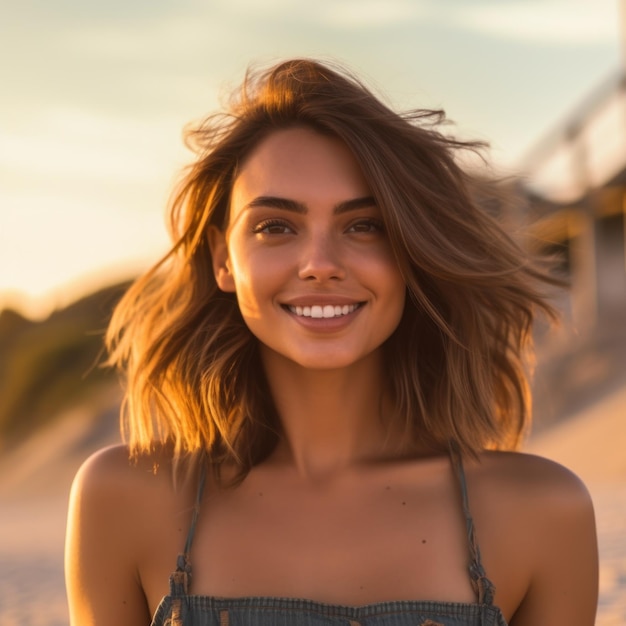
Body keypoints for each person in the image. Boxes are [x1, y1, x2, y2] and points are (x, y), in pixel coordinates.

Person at [65, 58, 598, 626]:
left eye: (364, 225)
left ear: (410, 253)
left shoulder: (541, 512)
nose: (320, 265)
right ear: (224, 258)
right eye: (276, 226)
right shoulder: (123, 498)